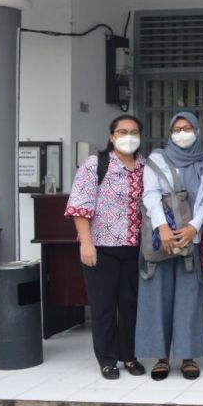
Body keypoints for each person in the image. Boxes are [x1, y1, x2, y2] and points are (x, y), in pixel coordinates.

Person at [65, 114, 147, 379]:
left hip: (134, 248)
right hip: (100, 247)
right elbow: (80, 205)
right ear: (112, 136)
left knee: (131, 305)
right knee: (103, 307)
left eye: (134, 132)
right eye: (122, 132)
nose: (128, 137)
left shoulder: (144, 167)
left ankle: (129, 356)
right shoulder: (95, 164)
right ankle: (107, 359)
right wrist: (86, 243)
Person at [136, 112, 203, 380]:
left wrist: (193, 227)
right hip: (161, 238)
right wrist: (162, 227)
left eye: (188, 127)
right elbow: (150, 194)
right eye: (177, 129)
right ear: (170, 133)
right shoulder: (157, 159)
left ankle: (188, 356)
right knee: (157, 295)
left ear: (197, 130)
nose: (182, 133)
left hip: (189, 238)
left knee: (189, 298)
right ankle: (161, 357)